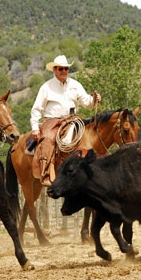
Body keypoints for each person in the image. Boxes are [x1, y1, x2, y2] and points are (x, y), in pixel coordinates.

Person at [30, 54, 101, 186]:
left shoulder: (75, 85)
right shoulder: (46, 87)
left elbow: (87, 102)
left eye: (66, 69)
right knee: (48, 138)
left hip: (73, 120)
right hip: (52, 121)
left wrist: (94, 100)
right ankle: (46, 172)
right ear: (55, 70)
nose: (64, 71)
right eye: (60, 69)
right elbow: (36, 109)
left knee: (89, 135)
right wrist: (35, 127)